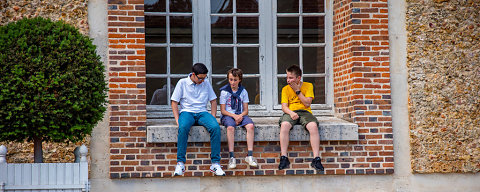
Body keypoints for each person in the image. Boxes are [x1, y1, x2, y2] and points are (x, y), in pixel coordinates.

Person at [171, 63, 225, 176]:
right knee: (183, 127)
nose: (202, 81)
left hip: (202, 112)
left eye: (204, 78)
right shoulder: (182, 83)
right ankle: (180, 163)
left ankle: (215, 164)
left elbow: (213, 100)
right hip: (187, 112)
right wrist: (177, 120)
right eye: (200, 78)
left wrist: (213, 118)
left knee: (215, 127)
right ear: (193, 75)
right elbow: (174, 102)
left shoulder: (205, 83)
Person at [278, 65, 324, 171]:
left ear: (298, 78)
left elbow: (307, 103)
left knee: (313, 126)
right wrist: (291, 113)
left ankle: (316, 159)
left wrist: (297, 91)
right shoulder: (285, 89)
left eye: (291, 78)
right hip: (291, 112)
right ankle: (284, 157)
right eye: (287, 78)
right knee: (284, 125)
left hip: (305, 111)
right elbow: (284, 107)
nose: (288, 80)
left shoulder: (308, 86)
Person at [219, 68, 257, 169]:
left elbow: (246, 110)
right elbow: (223, 110)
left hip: (240, 115)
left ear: (240, 80)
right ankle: (232, 157)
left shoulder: (243, 91)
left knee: (250, 126)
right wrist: (234, 116)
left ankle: (249, 155)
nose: (232, 82)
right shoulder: (224, 92)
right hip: (228, 115)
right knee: (230, 128)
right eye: (230, 79)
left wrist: (240, 116)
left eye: (235, 80)